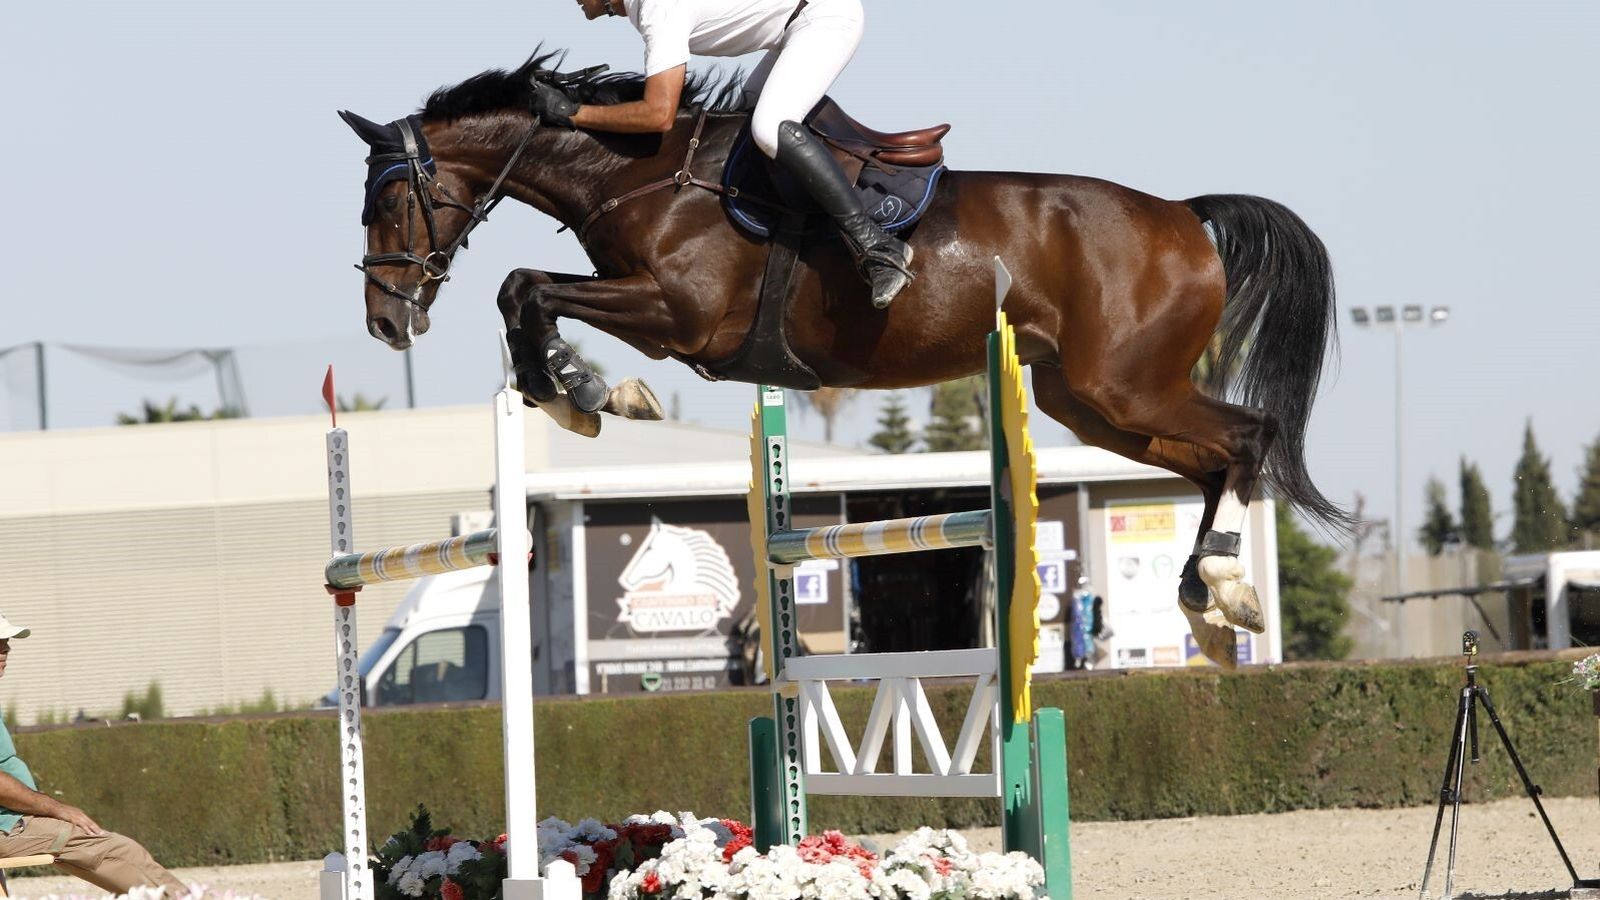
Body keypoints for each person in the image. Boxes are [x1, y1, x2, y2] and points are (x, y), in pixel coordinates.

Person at [540, 0, 915, 309]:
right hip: (795, 26)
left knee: (769, 129)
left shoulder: (656, 7)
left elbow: (659, 112)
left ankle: (878, 247)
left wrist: (576, 114)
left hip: (824, 18)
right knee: (742, 120)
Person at [0, 613, 189, 897]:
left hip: (11, 824)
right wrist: (56, 808)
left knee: (102, 853)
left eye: (6, 643)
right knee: (119, 851)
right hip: (7, 827)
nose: (7, 650)